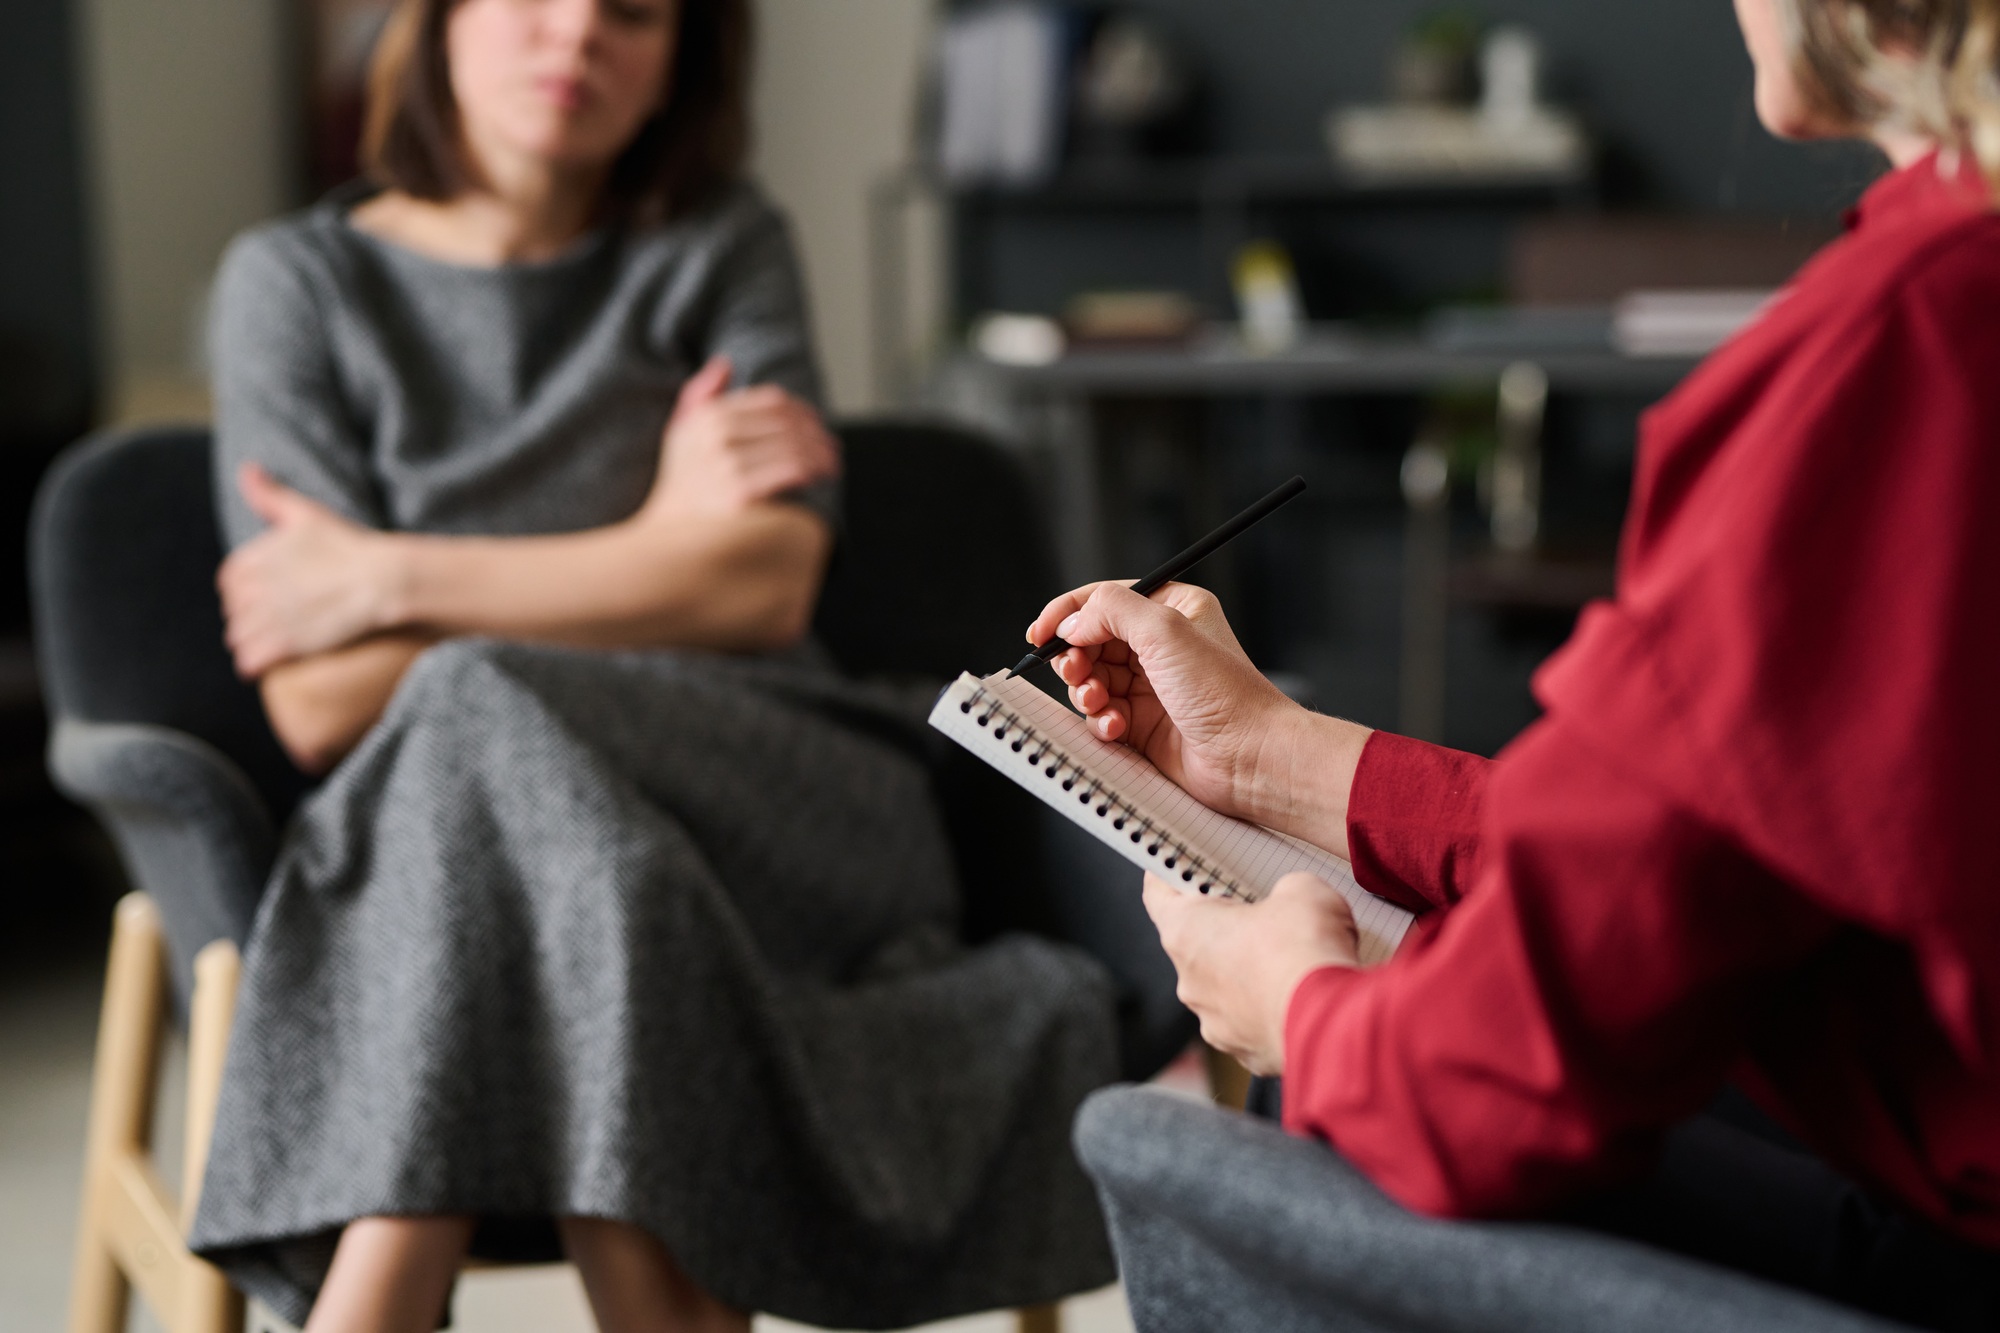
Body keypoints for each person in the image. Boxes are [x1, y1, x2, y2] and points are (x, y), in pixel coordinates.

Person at [1031, 0, 2000, 1327]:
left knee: (1180, 1153)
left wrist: (1295, 1008)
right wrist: (1270, 751)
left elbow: (1485, 1089)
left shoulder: (1910, 344)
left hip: (1946, 1247)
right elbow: (1685, 852)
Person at [186, 2, 1119, 1330]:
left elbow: (766, 582)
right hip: (501, 857)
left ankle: (385, 1275)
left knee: (462, 694)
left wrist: (392, 574)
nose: (576, 39)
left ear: (683, 56)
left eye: (629, 11)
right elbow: (319, 699)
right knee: (575, 848)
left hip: (785, 788)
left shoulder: (720, 243)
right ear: (440, 23)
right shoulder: (296, 284)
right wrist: (657, 549)